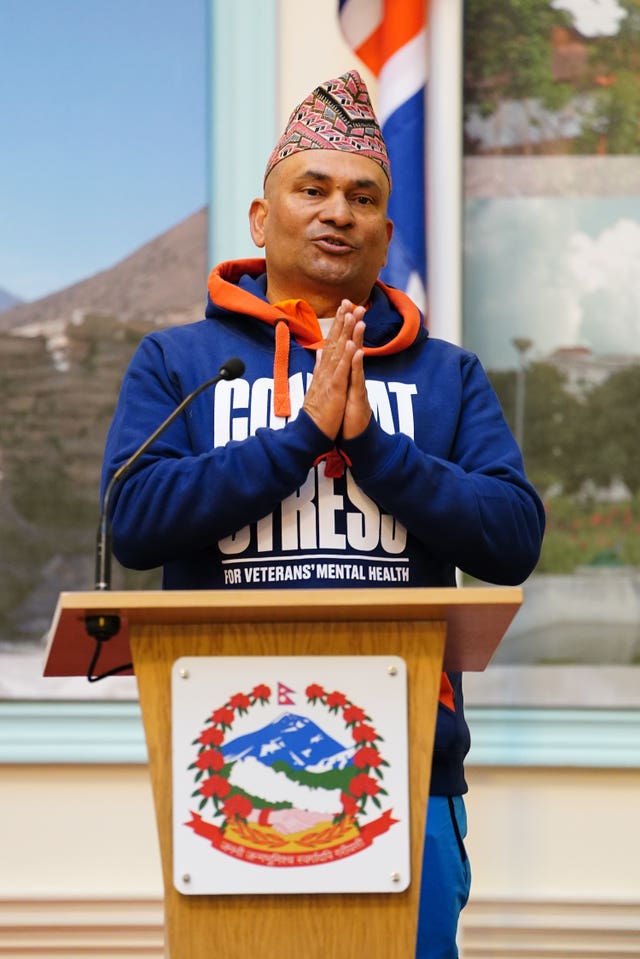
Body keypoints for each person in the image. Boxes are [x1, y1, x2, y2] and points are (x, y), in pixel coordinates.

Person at [101, 70, 545, 957]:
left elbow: (512, 536)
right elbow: (134, 518)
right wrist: (300, 435)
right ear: (263, 221)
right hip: (226, 775)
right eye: (313, 189)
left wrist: (376, 446)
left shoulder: (445, 374)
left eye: (363, 197)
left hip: (409, 774)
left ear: (386, 233)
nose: (338, 211)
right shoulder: (179, 361)